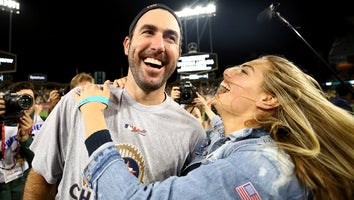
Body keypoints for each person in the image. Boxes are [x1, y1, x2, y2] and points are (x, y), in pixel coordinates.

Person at [76, 55, 354, 199]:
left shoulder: (259, 168)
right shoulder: (241, 139)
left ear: (269, 99)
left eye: (244, 71)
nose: (228, 71)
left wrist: (91, 111)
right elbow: (222, 131)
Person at [23, 3, 206, 199]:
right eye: (148, 32)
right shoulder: (76, 100)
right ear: (127, 45)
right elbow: (42, 178)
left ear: (178, 53)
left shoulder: (193, 132)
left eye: (170, 38)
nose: (158, 46)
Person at [0, 81, 44, 200]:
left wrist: (26, 138)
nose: (24, 104)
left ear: (35, 103)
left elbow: (38, 162)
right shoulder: (2, 118)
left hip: (21, 179)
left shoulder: (40, 125)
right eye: (19, 99)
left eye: (28, 99)